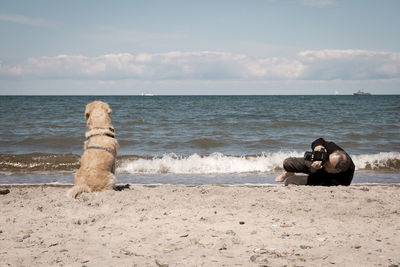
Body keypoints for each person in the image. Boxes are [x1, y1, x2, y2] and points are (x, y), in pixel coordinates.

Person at [275, 138, 355, 186]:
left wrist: (314, 169)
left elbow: (318, 181)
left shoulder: (344, 180)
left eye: (327, 164)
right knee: (288, 163)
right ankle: (289, 173)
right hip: (316, 164)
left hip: (320, 176)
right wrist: (318, 146)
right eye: (327, 160)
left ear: (337, 170)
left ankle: (290, 176)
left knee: (290, 181)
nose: (325, 164)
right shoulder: (334, 150)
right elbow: (319, 140)